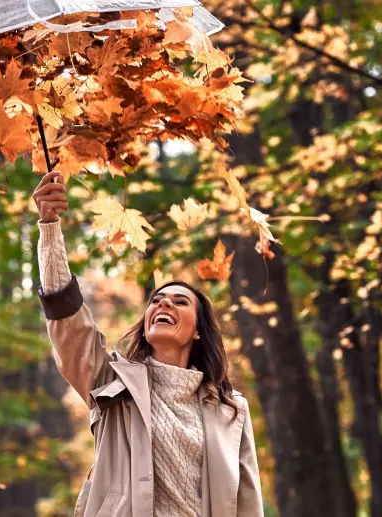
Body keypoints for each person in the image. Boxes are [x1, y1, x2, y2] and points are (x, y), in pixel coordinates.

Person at [32, 170, 264, 517]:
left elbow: (246, 502)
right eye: (156, 300)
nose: (163, 304)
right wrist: (50, 229)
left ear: (198, 330)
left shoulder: (231, 409)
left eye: (180, 301)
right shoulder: (112, 382)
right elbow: (70, 326)